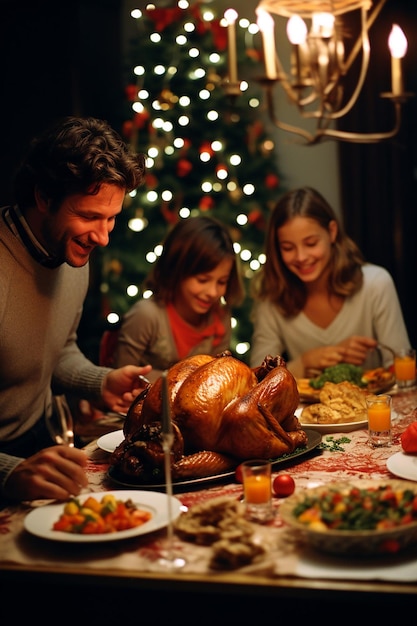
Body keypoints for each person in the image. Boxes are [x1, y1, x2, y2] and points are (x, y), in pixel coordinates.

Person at [0, 116, 152, 502]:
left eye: (111, 218)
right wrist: (8, 473)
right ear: (44, 198)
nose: (102, 237)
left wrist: (101, 381)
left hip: (40, 445)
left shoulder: (72, 253)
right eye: (88, 216)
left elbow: (59, 348)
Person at [249, 186, 411, 377]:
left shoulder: (376, 284)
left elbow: (403, 370)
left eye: (311, 243)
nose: (301, 257)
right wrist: (305, 362)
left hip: (374, 404)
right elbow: (258, 380)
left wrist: (351, 354)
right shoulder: (272, 299)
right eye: (288, 247)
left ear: (332, 232)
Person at [114, 215, 245, 381]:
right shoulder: (146, 315)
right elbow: (121, 378)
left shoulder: (221, 319)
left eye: (222, 281)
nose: (212, 292)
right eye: (202, 280)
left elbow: (215, 380)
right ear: (177, 270)